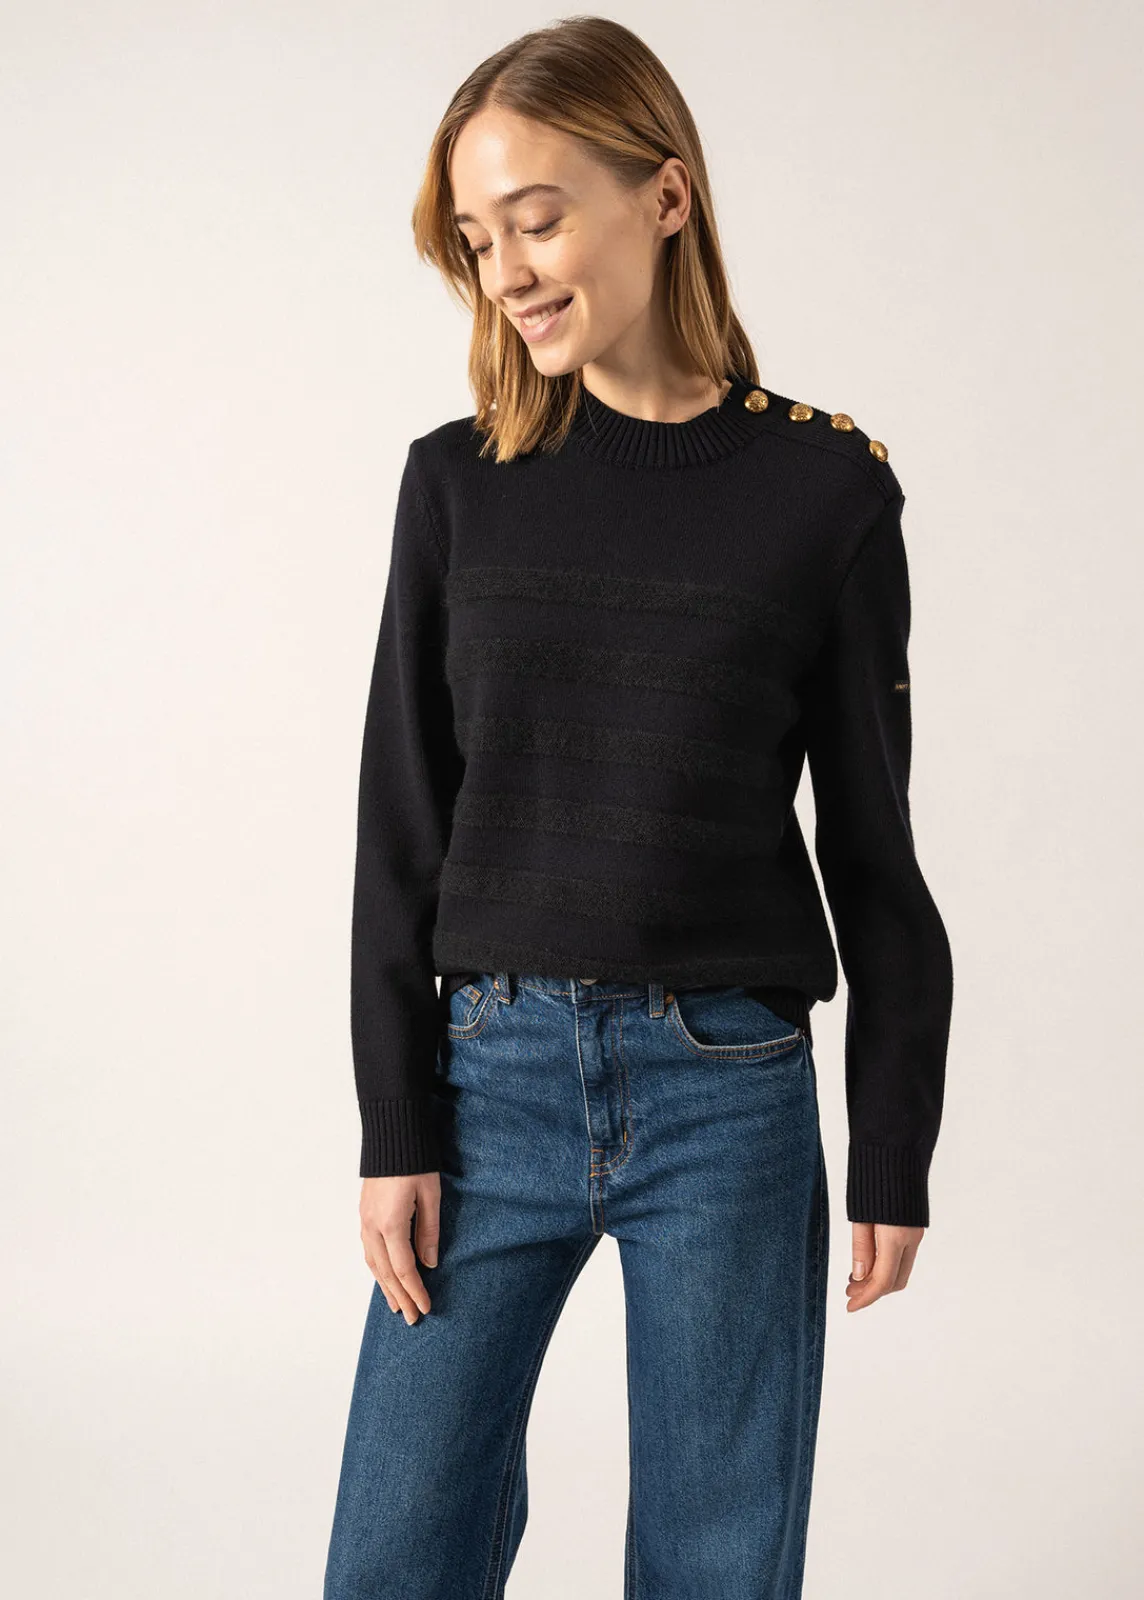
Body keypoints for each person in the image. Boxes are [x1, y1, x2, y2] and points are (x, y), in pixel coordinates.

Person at [324, 16, 953, 1599]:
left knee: (718, 1568)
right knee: (394, 1556)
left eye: (535, 219)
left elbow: (875, 853)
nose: (507, 271)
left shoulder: (826, 492)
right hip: (487, 1084)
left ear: (665, 196)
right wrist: (395, 1123)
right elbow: (402, 825)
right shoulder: (456, 483)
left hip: (727, 1093)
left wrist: (894, 1144)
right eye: (478, 241)